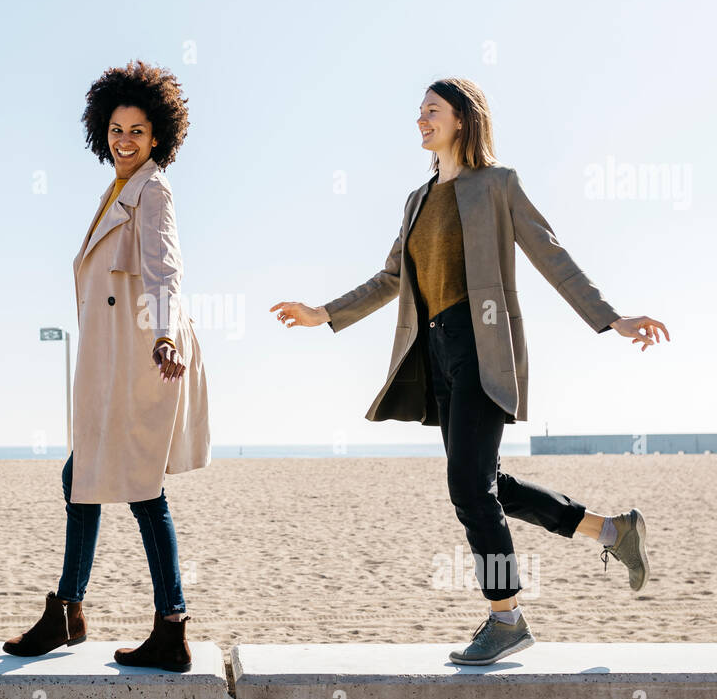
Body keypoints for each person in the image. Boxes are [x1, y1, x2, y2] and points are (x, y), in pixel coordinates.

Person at [270, 77, 669, 666]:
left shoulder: (497, 185)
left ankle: (505, 617)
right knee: (491, 485)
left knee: (467, 488)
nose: (421, 120)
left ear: (462, 119)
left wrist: (612, 318)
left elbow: (551, 255)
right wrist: (323, 313)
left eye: (431, 111)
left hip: (482, 349)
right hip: (435, 356)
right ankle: (613, 532)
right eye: (419, 112)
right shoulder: (417, 199)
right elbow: (391, 279)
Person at [3, 60, 210, 673]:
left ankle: (166, 627)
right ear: (103, 132)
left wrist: (167, 337)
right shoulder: (116, 191)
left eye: (138, 132)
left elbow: (165, 269)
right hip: (116, 357)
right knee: (83, 477)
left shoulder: (153, 190)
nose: (125, 141)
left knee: (141, 489)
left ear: (158, 137)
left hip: (145, 356)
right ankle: (70, 610)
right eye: (117, 130)